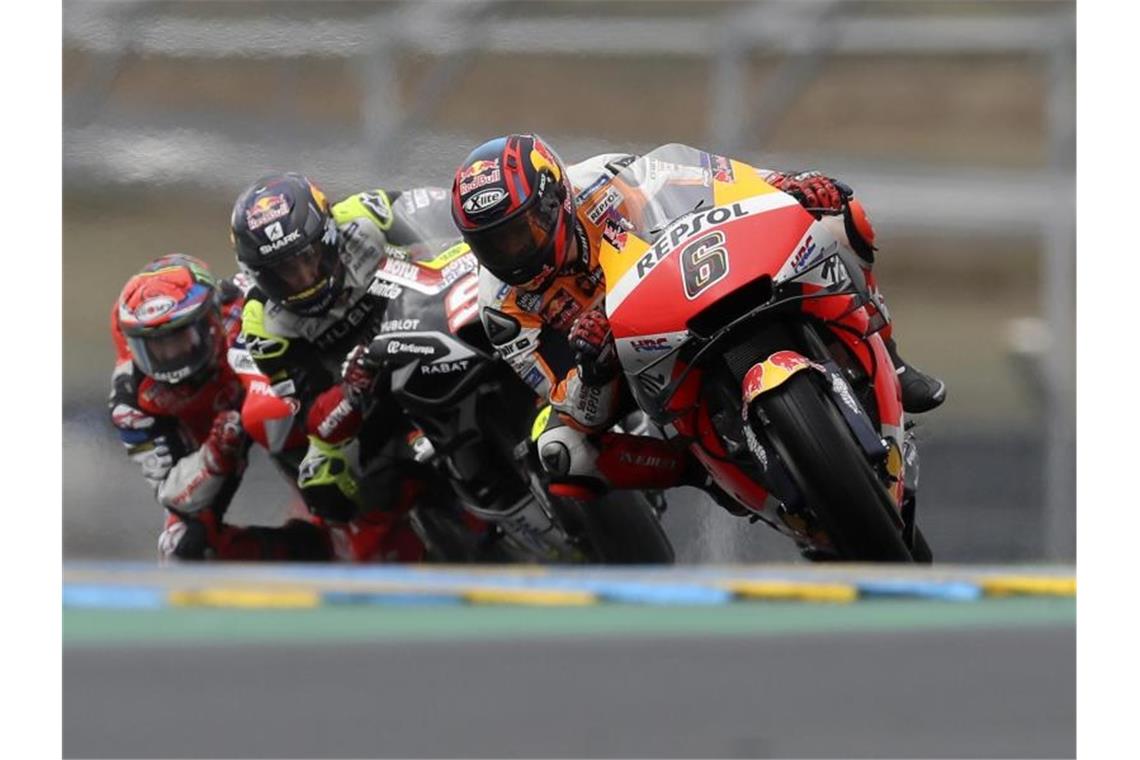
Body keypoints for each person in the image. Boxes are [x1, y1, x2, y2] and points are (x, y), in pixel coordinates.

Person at [449, 133, 946, 500]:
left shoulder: (604, 180)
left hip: (684, 286)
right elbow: (575, 407)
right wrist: (593, 366)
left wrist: (787, 187)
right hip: (631, 371)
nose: (513, 253)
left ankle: (894, 363)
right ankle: (700, 472)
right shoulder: (503, 309)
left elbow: (713, 179)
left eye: (521, 232)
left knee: (843, 217)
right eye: (493, 243)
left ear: (556, 199)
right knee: (558, 450)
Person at [229, 173, 459, 562]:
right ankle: (394, 543)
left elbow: (454, 221)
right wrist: (351, 389)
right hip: (369, 400)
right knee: (321, 480)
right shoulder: (263, 324)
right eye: (285, 273)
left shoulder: (368, 215)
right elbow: (312, 417)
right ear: (260, 276)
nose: (304, 279)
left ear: (329, 235)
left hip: (433, 336)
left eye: (308, 258)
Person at [109, 254, 332, 561]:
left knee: (267, 415)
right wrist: (213, 456)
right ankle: (304, 550)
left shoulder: (245, 303)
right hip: (211, 444)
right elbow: (170, 492)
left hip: (279, 406)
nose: (171, 355)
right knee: (177, 549)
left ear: (209, 319)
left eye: (179, 337)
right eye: (155, 346)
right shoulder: (131, 400)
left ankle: (343, 510)